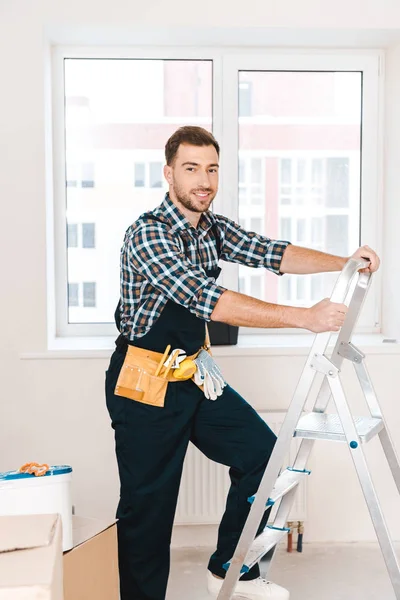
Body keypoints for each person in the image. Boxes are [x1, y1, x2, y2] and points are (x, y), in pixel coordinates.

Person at [105, 126, 380, 600]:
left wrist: (345, 261)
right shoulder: (147, 234)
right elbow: (207, 299)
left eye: (211, 169)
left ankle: (229, 567)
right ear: (169, 173)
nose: (204, 180)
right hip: (144, 382)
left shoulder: (213, 228)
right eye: (191, 169)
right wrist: (304, 317)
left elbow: (272, 253)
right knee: (147, 511)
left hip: (193, 373)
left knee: (262, 457)